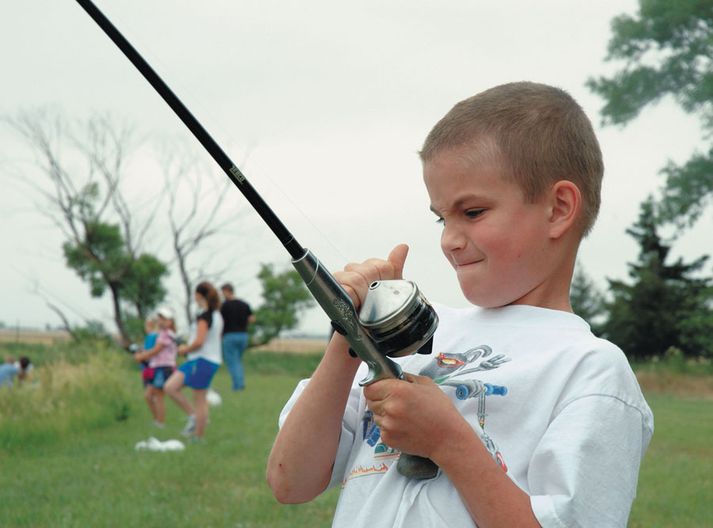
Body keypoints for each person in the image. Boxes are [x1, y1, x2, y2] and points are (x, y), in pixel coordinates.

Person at [266, 82, 654, 527]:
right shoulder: (423, 335)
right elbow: (290, 481)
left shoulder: (590, 371)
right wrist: (349, 335)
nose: (449, 240)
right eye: (441, 217)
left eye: (472, 213)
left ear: (558, 209)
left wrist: (449, 441)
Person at [164, 281, 224, 441]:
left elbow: (199, 342)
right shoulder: (216, 315)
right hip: (198, 360)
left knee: (200, 398)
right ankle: (193, 416)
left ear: (199, 295)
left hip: (202, 360)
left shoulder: (205, 316)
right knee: (170, 387)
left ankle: (198, 436)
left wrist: (184, 349)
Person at [133, 307, 178, 428]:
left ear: (170, 322)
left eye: (164, 319)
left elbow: (156, 350)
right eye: (160, 319)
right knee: (148, 396)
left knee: (158, 396)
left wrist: (141, 357)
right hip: (156, 367)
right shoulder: (161, 334)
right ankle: (157, 420)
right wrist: (142, 354)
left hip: (164, 368)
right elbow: (153, 350)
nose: (161, 321)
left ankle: (160, 423)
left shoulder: (167, 335)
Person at [220, 282, 255, 391]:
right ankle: (240, 383)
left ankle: (238, 386)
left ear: (226, 291)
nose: (222, 295)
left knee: (232, 361)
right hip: (243, 336)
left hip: (229, 336)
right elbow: (252, 319)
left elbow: (220, 322)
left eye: (222, 292)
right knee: (238, 361)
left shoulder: (224, 306)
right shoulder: (244, 304)